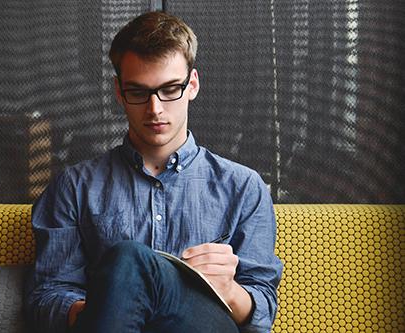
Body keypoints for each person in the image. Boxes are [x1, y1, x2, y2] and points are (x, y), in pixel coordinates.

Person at [25, 11, 283, 333]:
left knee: (130, 261)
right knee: (128, 262)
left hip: (204, 324)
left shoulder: (243, 187)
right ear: (119, 92)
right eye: (138, 92)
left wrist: (229, 290)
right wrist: (117, 301)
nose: (155, 109)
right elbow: (46, 299)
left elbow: (262, 311)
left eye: (170, 89)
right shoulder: (74, 187)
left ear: (192, 85)